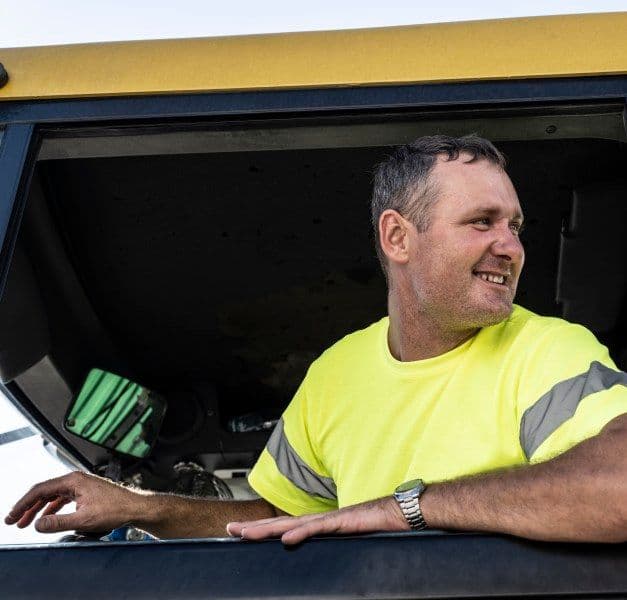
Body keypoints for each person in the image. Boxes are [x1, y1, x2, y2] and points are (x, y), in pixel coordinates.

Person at [5, 135, 627, 545]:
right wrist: (140, 505)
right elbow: (276, 520)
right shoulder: (337, 373)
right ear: (398, 237)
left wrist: (407, 507)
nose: (512, 247)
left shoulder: (551, 352)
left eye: (515, 226)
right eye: (482, 222)